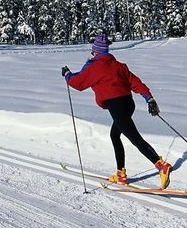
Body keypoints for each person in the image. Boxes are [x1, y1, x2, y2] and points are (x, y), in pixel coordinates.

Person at [61, 33, 173, 189]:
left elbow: (78, 83)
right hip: (128, 104)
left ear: (96, 51)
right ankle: (121, 175)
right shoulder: (119, 66)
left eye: (93, 51)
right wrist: (150, 99)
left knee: (135, 139)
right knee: (115, 135)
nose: (92, 54)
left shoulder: (94, 66)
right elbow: (136, 82)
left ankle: (161, 165)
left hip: (116, 107)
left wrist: (67, 74)